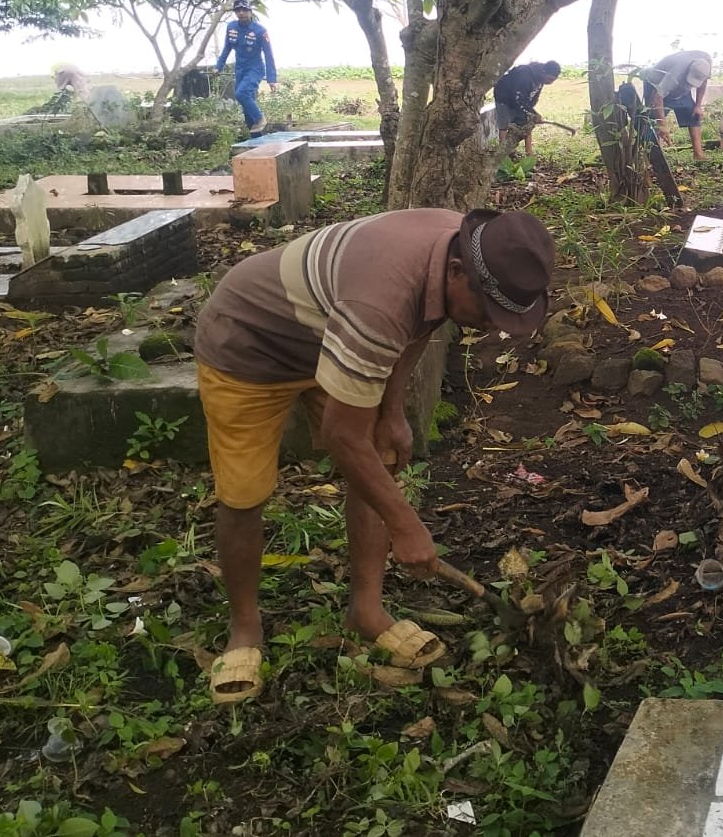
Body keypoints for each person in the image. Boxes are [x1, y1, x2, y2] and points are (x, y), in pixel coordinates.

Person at [192, 207, 555, 703]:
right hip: (250, 345)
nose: (492, 328)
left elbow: (418, 327)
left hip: (334, 337)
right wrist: (406, 526)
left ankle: (367, 612)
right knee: (244, 493)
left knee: (380, 458)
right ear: (456, 273)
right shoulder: (382, 298)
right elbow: (344, 438)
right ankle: (245, 629)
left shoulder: (466, 248)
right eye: (491, 313)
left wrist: (392, 409)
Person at [213, 0, 278, 134]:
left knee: (241, 94)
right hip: (240, 70)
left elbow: (269, 55)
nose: (241, 13)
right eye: (238, 10)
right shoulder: (231, 27)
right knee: (247, 109)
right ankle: (255, 141)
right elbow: (227, 48)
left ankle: (260, 118)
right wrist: (218, 66)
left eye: (244, 10)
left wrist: (272, 79)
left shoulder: (260, 31)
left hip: (255, 69)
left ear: (250, 11)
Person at [641, 50, 712, 161]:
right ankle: (653, 157)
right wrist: (662, 125)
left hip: (680, 87)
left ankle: (698, 155)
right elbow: (657, 96)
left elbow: (703, 82)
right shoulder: (676, 72)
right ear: (688, 71)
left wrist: (698, 105)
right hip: (655, 83)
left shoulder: (706, 62)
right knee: (652, 123)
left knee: (693, 113)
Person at [493, 60, 561, 154]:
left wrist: (532, 113)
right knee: (504, 125)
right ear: (544, 72)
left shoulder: (540, 79)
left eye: (553, 80)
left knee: (527, 124)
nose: (550, 82)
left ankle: (529, 154)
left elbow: (533, 98)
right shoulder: (524, 74)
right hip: (504, 97)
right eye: (549, 79)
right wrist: (533, 113)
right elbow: (517, 98)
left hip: (520, 100)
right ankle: (503, 154)